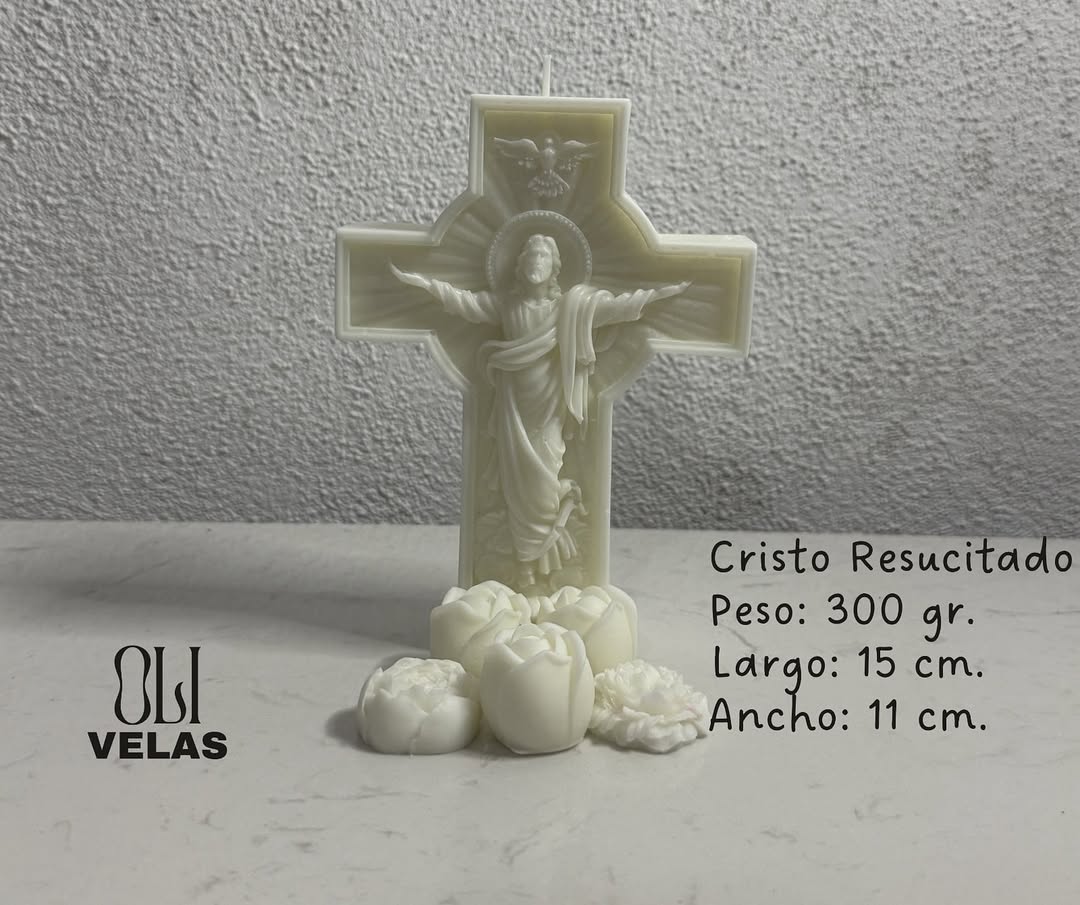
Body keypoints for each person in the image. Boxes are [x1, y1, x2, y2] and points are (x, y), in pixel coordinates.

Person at [392, 234, 689, 588]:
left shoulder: (568, 309)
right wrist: (424, 284)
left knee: (543, 486)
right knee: (516, 490)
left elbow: (614, 309)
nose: (536, 261)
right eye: (530, 255)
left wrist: (659, 295)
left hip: (548, 412)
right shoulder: (507, 306)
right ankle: (525, 570)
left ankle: (548, 547)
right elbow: (465, 304)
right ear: (520, 266)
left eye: (543, 256)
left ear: (554, 268)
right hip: (513, 412)